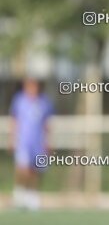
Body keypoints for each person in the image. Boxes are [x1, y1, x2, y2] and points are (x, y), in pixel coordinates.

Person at [8, 78, 55, 210]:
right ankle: (19, 194)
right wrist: (12, 139)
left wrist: (48, 141)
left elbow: (47, 124)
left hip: (38, 142)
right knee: (22, 169)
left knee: (35, 170)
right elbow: (14, 121)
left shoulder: (44, 102)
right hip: (23, 141)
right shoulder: (19, 100)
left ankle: (32, 196)